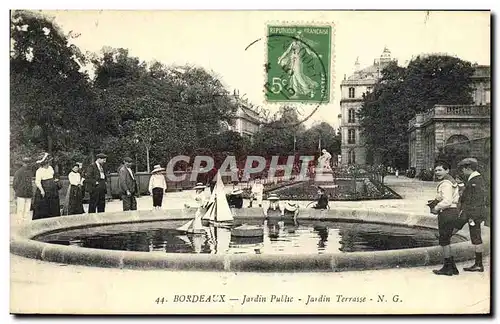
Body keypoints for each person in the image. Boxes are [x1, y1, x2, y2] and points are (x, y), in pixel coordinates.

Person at [455, 158, 488, 272]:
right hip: (474, 213)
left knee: (476, 238)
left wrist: (470, 217)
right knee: (475, 237)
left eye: (463, 169)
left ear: (468, 168)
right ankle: (478, 263)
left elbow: (475, 200)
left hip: (474, 214)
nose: (462, 172)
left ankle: (478, 264)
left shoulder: (475, 181)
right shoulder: (476, 179)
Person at [430, 161, 460, 276]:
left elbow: (447, 201)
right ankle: (452, 267)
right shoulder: (450, 181)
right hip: (452, 212)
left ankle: (447, 268)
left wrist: (436, 208)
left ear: (447, 170)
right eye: (436, 170)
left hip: (447, 212)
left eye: (440, 170)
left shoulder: (446, 184)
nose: (437, 172)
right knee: (446, 239)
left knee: (444, 240)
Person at [32, 153, 61, 220]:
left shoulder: (50, 168)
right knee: (44, 206)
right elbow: (38, 181)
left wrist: (55, 180)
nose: (49, 164)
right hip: (45, 189)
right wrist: (42, 190)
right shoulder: (39, 171)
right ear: (44, 163)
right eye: (47, 162)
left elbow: (52, 176)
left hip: (52, 189)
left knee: (53, 205)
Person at [13, 157, 33, 224]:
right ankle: (20, 225)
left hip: (27, 194)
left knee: (26, 211)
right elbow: (15, 184)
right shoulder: (18, 172)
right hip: (21, 194)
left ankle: (25, 225)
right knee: (20, 211)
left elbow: (30, 183)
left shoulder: (30, 172)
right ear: (23, 163)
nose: (27, 164)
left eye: (28, 163)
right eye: (26, 163)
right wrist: (18, 191)